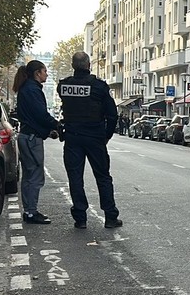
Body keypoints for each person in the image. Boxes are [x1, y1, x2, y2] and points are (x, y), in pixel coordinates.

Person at [57, 51, 122, 229]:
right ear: (89, 65)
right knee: (103, 177)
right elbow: (112, 115)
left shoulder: (64, 86)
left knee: (75, 178)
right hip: (95, 137)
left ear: (72, 65)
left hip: (72, 137)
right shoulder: (99, 87)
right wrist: (106, 136)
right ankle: (110, 216)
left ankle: (80, 218)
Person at [14, 60, 59, 224]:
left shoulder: (26, 88)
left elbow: (33, 117)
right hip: (32, 139)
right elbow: (40, 115)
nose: (46, 74)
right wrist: (56, 125)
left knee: (28, 175)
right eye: (44, 71)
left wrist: (48, 131)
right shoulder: (33, 90)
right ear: (37, 73)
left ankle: (28, 211)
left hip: (26, 135)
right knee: (35, 176)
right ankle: (31, 212)